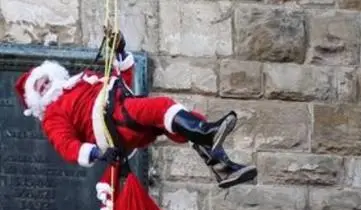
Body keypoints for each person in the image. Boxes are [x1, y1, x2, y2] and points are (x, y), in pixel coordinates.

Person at [13, 27, 256, 190]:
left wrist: (119, 51)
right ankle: (208, 132)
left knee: (183, 122)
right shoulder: (52, 116)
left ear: (52, 74)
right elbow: (67, 146)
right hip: (108, 124)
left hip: (118, 109)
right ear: (37, 100)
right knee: (162, 107)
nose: (46, 86)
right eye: (40, 88)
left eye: (45, 80)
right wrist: (97, 154)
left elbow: (123, 80)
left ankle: (223, 167)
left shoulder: (79, 81)